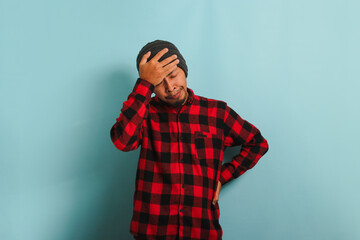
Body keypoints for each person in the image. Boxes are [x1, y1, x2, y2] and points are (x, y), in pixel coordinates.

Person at [110, 40, 269, 240]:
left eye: (173, 75)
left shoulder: (216, 113)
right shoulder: (145, 112)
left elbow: (258, 143)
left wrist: (222, 177)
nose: (170, 87)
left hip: (200, 229)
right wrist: (144, 84)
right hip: (152, 230)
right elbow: (123, 142)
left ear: (184, 71)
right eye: (158, 82)